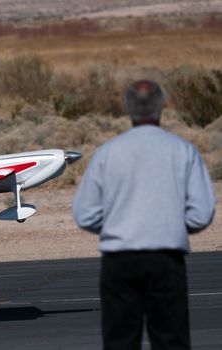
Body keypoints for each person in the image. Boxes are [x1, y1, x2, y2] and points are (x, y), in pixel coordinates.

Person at [72, 80, 217, 350]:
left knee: (120, 342)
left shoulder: (107, 153)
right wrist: (168, 224)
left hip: (120, 260)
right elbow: (202, 212)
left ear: (128, 108)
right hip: (166, 260)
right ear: (162, 105)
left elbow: (84, 213)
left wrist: (119, 224)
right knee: (171, 341)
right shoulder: (183, 150)